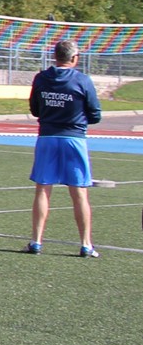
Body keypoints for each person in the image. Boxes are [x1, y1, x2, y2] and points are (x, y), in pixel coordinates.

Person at [25, 40, 102, 257]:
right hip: (73, 138)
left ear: (55, 56)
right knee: (79, 192)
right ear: (74, 58)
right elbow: (95, 113)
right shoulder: (82, 80)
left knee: (43, 189)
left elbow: (35, 109)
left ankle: (36, 241)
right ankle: (86, 244)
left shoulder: (41, 78)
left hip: (47, 137)